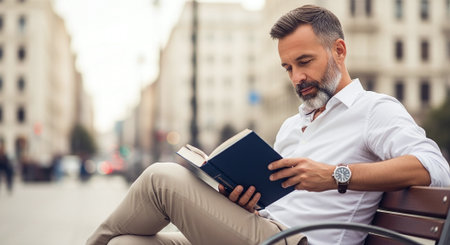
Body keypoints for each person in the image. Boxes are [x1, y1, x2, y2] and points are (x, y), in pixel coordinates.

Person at [87, 5, 450, 245]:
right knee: (124, 243)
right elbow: (278, 204)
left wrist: (336, 175)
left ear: (339, 50)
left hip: (300, 240)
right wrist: (246, 203)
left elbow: (435, 169)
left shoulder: (373, 109)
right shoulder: (293, 126)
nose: (297, 77)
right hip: (263, 229)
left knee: (160, 178)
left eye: (305, 62)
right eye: (288, 67)